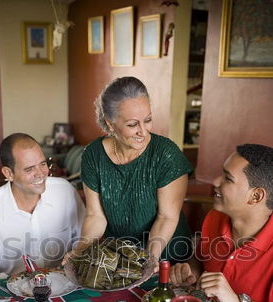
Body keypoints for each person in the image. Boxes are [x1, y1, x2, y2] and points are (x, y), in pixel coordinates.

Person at [64, 76, 193, 266]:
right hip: (118, 256)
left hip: (167, 256)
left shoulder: (166, 154)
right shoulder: (93, 154)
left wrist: (149, 259)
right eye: (133, 124)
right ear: (110, 123)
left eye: (147, 120)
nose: (143, 131)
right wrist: (81, 250)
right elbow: (95, 216)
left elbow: (167, 217)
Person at [170, 144, 273, 302]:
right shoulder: (215, 218)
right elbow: (200, 258)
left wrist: (235, 301)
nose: (216, 181)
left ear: (256, 196)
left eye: (228, 178)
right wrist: (191, 270)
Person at [0, 133, 85, 283]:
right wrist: (14, 286)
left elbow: (84, 238)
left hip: (65, 285)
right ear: (9, 173)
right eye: (29, 169)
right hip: (12, 293)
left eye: (43, 164)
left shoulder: (65, 191)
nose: (41, 174)